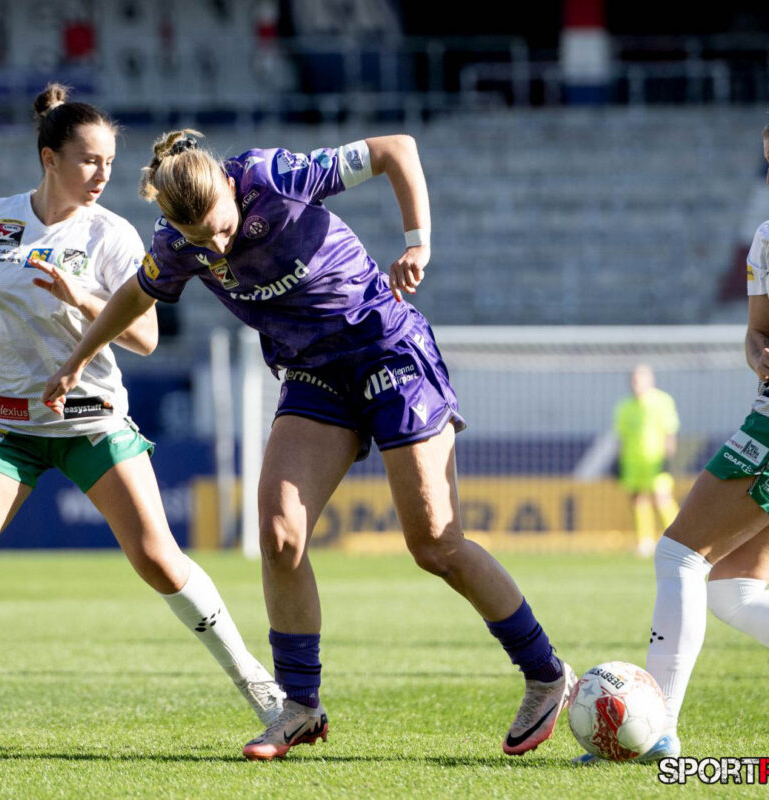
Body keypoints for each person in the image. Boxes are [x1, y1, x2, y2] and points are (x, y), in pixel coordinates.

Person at [42, 129, 577, 761]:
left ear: (229, 188)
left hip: (386, 349)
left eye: (221, 227)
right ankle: (298, 706)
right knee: (279, 533)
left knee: (434, 543)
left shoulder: (276, 175)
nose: (218, 246)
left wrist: (416, 242)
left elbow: (395, 150)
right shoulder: (175, 243)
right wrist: (79, 358)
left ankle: (546, 674)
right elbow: (135, 293)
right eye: (200, 240)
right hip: (313, 374)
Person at [0, 85, 283, 727]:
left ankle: (258, 684)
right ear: (49, 157)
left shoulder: (111, 233)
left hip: (90, 419)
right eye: (89, 160)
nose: (103, 175)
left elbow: (145, 338)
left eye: (109, 162)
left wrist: (83, 296)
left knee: (156, 557)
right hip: (6, 422)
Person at [576, 124, 769, 765]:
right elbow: (756, 336)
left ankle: (659, 732)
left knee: (680, 557)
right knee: (732, 587)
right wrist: (759, 351)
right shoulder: (765, 238)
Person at [613, 364, 680, 557]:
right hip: (632, 461)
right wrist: (619, 461)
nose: (636, 384)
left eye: (639, 380)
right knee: (637, 499)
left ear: (650, 381)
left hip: (656, 460)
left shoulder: (662, 401)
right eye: (633, 380)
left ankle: (678, 539)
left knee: (662, 498)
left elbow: (669, 432)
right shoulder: (625, 406)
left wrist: (668, 458)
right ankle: (645, 542)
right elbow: (621, 436)